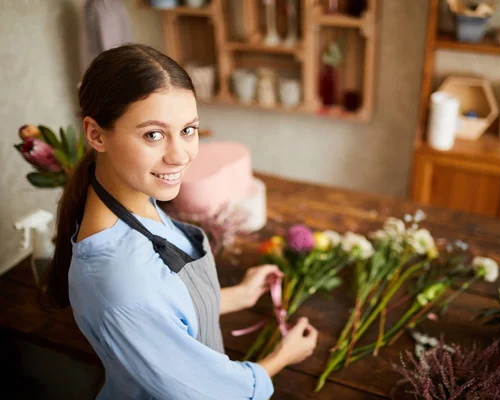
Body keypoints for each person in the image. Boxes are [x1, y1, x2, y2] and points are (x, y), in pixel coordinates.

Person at [42, 43, 318, 399]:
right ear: (96, 134)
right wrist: (283, 357)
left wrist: (241, 296)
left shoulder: (133, 198)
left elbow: (170, 306)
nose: (179, 155)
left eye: (188, 130)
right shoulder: (122, 283)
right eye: (153, 134)